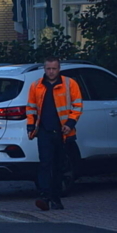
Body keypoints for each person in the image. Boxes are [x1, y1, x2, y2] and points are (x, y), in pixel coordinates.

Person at [26, 56, 83, 211]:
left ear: (59, 69)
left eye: (54, 68)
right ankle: (44, 196)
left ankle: (55, 198)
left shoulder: (69, 84)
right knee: (45, 164)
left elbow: (77, 105)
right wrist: (30, 127)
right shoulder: (36, 86)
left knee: (59, 165)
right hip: (44, 131)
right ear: (44, 69)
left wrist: (70, 124)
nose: (51, 72)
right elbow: (30, 108)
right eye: (48, 69)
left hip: (62, 132)